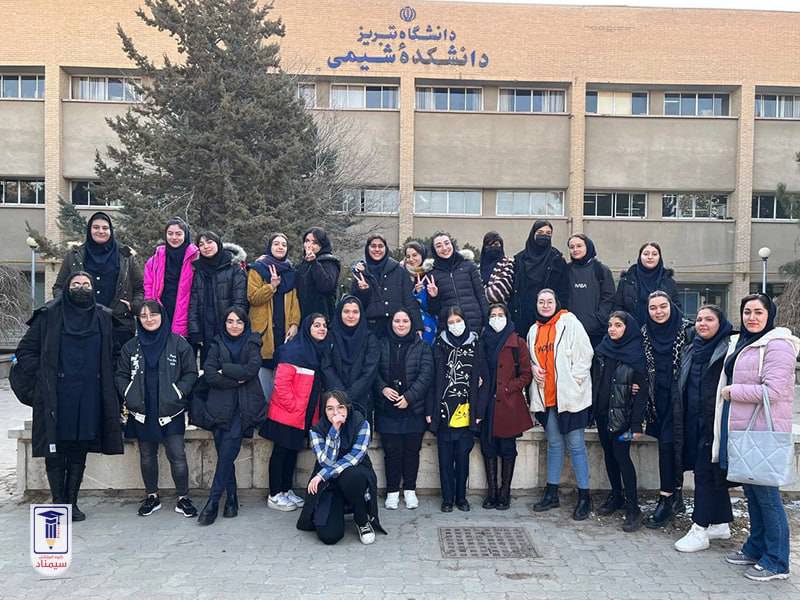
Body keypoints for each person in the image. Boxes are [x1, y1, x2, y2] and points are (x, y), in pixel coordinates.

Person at [14, 272, 124, 521]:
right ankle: (58, 502)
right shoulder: (49, 315)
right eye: (76, 284)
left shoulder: (103, 317)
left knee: (79, 448)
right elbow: (26, 350)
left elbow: (115, 353)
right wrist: (44, 374)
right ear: (67, 287)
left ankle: (72, 503)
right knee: (55, 447)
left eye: (86, 284)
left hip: (90, 395)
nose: (82, 288)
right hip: (56, 395)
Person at [716, 295, 798, 581]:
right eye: (747, 312)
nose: (752, 317)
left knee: (767, 497)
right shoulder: (748, 342)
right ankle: (755, 547)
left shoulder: (778, 345)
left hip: (763, 430)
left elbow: (774, 391)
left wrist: (733, 392)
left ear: (769, 314)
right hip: (744, 429)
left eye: (758, 312)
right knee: (752, 493)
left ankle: (777, 561)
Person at [116, 300, 199, 518]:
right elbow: (121, 375)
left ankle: (183, 498)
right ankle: (152, 496)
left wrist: (178, 393)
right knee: (147, 455)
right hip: (142, 411)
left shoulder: (178, 343)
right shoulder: (130, 346)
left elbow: (191, 373)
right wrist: (129, 394)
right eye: (143, 316)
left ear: (162, 316)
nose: (149, 319)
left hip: (171, 411)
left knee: (177, 455)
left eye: (153, 314)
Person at [528, 289, 594, 520]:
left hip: (569, 397)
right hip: (547, 397)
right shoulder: (534, 329)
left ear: (556, 302)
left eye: (549, 301)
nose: (545, 305)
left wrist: (575, 381)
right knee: (554, 444)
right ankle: (551, 492)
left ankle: (585, 496)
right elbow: (532, 357)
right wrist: (533, 368)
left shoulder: (569, 322)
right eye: (541, 301)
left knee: (576, 445)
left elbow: (585, 354)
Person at [196, 307, 265, 526]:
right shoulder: (216, 343)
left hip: (243, 408)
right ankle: (232, 498)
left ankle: (213, 501)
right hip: (219, 407)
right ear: (224, 323)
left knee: (227, 452)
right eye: (230, 321)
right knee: (225, 454)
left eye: (239, 322)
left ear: (245, 324)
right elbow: (209, 374)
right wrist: (236, 378)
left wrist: (224, 369)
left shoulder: (253, 342)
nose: (234, 325)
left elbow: (252, 370)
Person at [673, 305, 734, 552]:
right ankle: (720, 523)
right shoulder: (692, 348)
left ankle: (699, 529)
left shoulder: (728, 350)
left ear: (720, 323)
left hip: (715, 422)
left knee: (705, 474)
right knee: (708, 471)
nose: (703, 324)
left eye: (709, 319)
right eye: (699, 319)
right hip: (694, 421)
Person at [297, 391, 387, 545]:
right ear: (324, 411)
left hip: (354, 475)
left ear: (348, 407)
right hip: (329, 483)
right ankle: (336, 511)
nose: (336, 413)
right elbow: (326, 461)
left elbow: (355, 457)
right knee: (329, 536)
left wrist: (321, 475)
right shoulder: (317, 430)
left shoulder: (361, 423)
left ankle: (361, 519)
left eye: (340, 407)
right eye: (330, 408)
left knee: (351, 475)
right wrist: (334, 430)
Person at [261, 314, 330, 512]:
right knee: (281, 453)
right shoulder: (293, 351)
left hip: (303, 416)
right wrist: (295, 407)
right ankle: (275, 494)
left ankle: (286, 489)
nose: (321, 329)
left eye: (324, 325)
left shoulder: (318, 351)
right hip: (287, 414)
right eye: (316, 325)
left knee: (292, 453)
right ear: (307, 328)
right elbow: (281, 384)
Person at [53, 211, 144, 352]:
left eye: (105, 228)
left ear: (111, 230)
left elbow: (140, 287)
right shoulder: (74, 255)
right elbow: (59, 287)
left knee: (118, 365)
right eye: (96, 227)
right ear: (89, 230)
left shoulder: (125, 256)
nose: (101, 231)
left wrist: (134, 305)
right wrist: (69, 307)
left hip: (119, 324)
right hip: (82, 323)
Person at [591, 311, 649, 532]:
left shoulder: (636, 353)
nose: (612, 329)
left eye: (618, 325)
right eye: (610, 325)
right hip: (603, 414)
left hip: (623, 418)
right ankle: (616, 496)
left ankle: (633, 508)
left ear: (628, 328)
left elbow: (641, 392)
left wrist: (636, 424)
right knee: (609, 456)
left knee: (622, 458)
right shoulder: (603, 349)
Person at [427, 306, 487, 512]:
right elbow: (432, 380)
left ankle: (461, 498)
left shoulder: (475, 344)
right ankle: (447, 499)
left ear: (465, 321)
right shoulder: (439, 344)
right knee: (445, 460)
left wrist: (479, 412)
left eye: (458, 321)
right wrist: (430, 411)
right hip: (444, 411)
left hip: (466, 411)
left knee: (462, 459)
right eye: (451, 322)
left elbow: (484, 380)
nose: (455, 325)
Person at [374, 309, 433, 510]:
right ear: (391, 323)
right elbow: (374, 371)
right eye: (397, 320)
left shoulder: (422, 347)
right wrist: (383, 388)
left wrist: (409, 396)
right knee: (391, 451)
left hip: (413, 408)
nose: (401, 324)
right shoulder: (381, 344)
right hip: (387, 409)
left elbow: (426, 374)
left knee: (411, 451)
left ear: (411, 323)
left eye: (405, 321)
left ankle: (409, 490)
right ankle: (392, 492)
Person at [641, 291, 690, 528]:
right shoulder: (645, 332)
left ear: (671, 306)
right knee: (669, 445)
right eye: (653, 308)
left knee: (668, 446)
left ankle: (666, 499)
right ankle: (676, 495)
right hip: (656, 399)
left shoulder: (686, 330)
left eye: (663, 306)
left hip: (680, 398)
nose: (658, 312)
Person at [478, 303, 533, 510]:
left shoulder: (517, 342)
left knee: (508, 448)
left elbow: (526, 374)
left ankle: (505, 492)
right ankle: (491, 492)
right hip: (487, 404)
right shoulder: (483, 341)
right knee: (488, 447)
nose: (497, 318)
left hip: (509, 403)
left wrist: (509, 388)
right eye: (493, 315)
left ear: (507, 317)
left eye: (500, 315)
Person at [248, 232, 300, 402]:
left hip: (284, 332)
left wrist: (294, 323)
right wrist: (271, 286)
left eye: (283, 245)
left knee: (282, 385)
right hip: (264, 331)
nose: (280, 247)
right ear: (269, 247)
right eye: (276, 244)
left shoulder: (290, 271)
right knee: (264, 384)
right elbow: (253, 298)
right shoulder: (257, 269)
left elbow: (294, 302)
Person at [188, 231, 248, 363]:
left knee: (230, 367)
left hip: (228, 328)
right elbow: (193, 303)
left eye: (209, 242)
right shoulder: (198, 270)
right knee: (209, 368)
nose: (206, 246)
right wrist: (195, 331)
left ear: (218, 244)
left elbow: (240, 300)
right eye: (201, 244)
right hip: (206, 329)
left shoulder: (233, 267)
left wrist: (234, 325)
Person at [351, 234, 422, 338]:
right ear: (367, 248)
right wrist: (363, 291)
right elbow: (354, 304)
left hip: (396, 328)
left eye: (380, 246)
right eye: (373, 246)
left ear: (386, 248)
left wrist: (418, 326)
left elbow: (409, 301)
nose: (377, 249)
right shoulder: (361, 272)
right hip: (369, 330)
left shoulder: (399, 271)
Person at [509, 220, 569, 338]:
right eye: (540, 232)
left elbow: (563, 291)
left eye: (548, 233)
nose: (544, 236)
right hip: (522, 316)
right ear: (533, 234)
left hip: (548, 316)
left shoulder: (557, 260)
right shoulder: (519, 259)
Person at [322, 295, 380, 418]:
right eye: (346, 311)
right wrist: (341, 395)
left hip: (361, 399)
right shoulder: (330, 336)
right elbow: (326, 366)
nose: (351, 316)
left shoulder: (370, 338)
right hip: (334, 399)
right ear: (340, 313)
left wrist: (350, 395)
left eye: (355, 312)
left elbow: (370, 371)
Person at [143, 217, 198, 337]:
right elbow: (148, 283)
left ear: (185, 235)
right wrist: (150, 305)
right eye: (170, 233)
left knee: (180, 345)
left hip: (186, 311)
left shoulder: (195, 257)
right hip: (161, 308)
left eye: (178, 234)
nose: (174, 237)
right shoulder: (156, 258)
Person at [426, 232, 488, 334]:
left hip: (474, 323)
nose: (444, 248)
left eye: (447, 243)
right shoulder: (432, 275)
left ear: (452, 244)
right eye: (439, 246)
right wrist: (434, 297)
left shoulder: (468, 266)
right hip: (451, 326)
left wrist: (486, 320)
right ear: (434, 250)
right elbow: (433, 310)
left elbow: (481, 295)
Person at [614, 241, 681, 327]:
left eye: (654, 254)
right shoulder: (627, 280)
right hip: (632, 329)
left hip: (661, 329)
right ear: (640, 256)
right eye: (646, 254)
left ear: (659, 257)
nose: (650, 257)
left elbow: (676, 308)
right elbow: (618, 308)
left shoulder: (668, 281)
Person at [566, 234, 615, 348]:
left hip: (596, 332)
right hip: (570, 331)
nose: (575, 249)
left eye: (579, 246)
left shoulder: (601, 270)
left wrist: (599, 319)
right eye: (572, 247)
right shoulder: (566, 270)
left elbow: (609, 297)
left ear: (588, 246)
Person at [295, 227, 341, 322]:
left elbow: (326, 286)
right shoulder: (302, 265)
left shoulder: (329, 262)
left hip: (322, 318)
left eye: (315, 242)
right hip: (303, 317)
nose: (310, 245)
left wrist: (314, 263)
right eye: (307, 241)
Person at [401, 240, 437, 345]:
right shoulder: (401, 273)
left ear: (422, 255)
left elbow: (433, 306)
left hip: (429, 324)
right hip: (407, 323)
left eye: (415, 255)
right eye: (408, 256)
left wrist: (421, 293)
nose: (411, 259)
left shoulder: (431, 273)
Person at [479, 231, 514, 305]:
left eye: (496, 244)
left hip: (501, 309)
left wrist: (478, 297)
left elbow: (497, 293)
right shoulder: (479, 269)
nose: (492, 247)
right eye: (489, 245)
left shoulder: (507, 263)